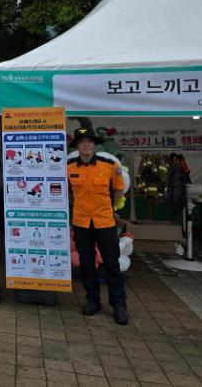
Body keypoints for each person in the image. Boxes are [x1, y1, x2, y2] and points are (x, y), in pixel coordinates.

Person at [67, 127, 129, 325]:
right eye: (81, 142)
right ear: (77, 146)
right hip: (81, 223)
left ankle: (118, 304)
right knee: (87, 264)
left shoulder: (109, 164)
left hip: (105, 222)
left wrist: (107, 207)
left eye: (89, 142)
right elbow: (68, 193)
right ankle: (92, 300)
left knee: (112, 264)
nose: (85, 145)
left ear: (94, 145)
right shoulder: (69, 167)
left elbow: (118, 190)